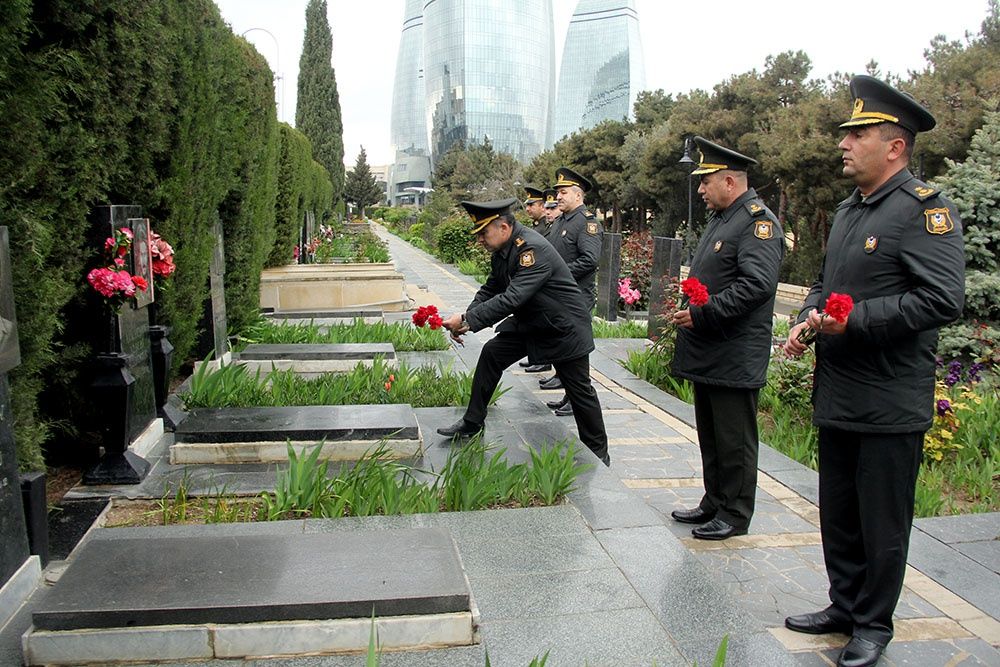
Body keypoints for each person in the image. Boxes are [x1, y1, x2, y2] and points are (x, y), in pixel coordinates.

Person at [782, 76, 965, 667]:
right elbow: (826, 285)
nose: (844, 143)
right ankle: (843, 603)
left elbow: (943, 299)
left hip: (889, 396)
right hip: (839, 391)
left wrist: (855, 321)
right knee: (837, 509)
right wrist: (810, 315)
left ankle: (872, 623)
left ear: (895, 146)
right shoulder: (848, 212)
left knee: (881, 519)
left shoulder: (924, 212)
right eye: (846, 133)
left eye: (858, 133)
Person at [435, 198, 611, 467]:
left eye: (483, 233)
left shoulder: (531, 249)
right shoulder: (505, 248)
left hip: (562, 328)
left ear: (504, 227)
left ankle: (598, 453)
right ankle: (472, 422)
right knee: (492, 353)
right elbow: (491, 287)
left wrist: (468, 320)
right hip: (533, 322)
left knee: (579, 390)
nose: (479, 240)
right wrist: (467, 317)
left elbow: (512, 298)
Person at [669, 137, 784, 541]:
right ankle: (714, 500)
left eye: (705, 182)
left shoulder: (757, 222)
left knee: (735, 439)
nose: (700, 190)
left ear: (730, 182)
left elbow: (757, 286)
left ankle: (735, 513)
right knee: (712, 433)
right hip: (710, 349)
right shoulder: (724, 217)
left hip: (734, 351)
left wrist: (702, 313)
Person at [539, 168, 604, 416]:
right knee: (564, 349)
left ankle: (577, 399)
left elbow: (590, 260)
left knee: (574, 351)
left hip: (576, 297)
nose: (559, 197)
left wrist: (558, 275)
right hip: (559, 297)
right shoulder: (562, 221)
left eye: (563, 192)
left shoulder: (586, 223)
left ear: (578, 195)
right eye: (558, 192)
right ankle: (569, 394)